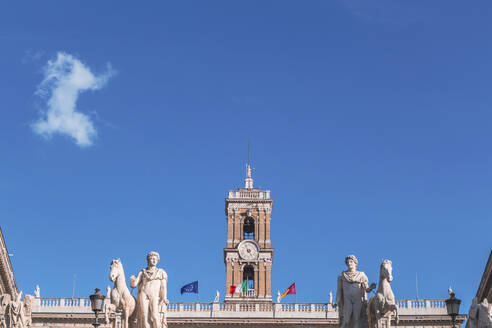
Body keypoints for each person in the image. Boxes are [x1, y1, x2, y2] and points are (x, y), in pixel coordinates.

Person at [130, 251, 168, 328]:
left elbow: (163, 287)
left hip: (155, 295)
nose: (154, 261)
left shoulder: (161, 272)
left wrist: (164, 298)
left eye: (155, 259)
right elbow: (134, 285)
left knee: (155, 315)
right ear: (148, 260)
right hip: (144, 293)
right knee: (144, 315)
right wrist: (132, 280)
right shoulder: (142, 272)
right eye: (152, 259)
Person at [336, 255, 376, 328]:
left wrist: (370, 287)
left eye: (351, 262)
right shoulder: (342, 276)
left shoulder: (361, 275)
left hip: (357, 300)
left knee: (357, 319)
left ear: (355, 263)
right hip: (347, 300)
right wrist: (337, 301)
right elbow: (339, 291)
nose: (349, 263)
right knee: (346, 319)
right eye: (348, 262)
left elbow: (366, 289)